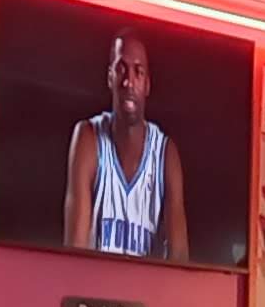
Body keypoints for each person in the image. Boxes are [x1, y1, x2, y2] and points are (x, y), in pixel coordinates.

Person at [59, 32, 186, 259]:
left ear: (147, 85)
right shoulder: (88, 138)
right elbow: (74, 256)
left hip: (147, 284)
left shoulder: (165, 153)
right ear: (110, 78)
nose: (129, 82)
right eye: (121, 69)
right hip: (92, 282)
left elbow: (180, 260)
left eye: (138, 72)